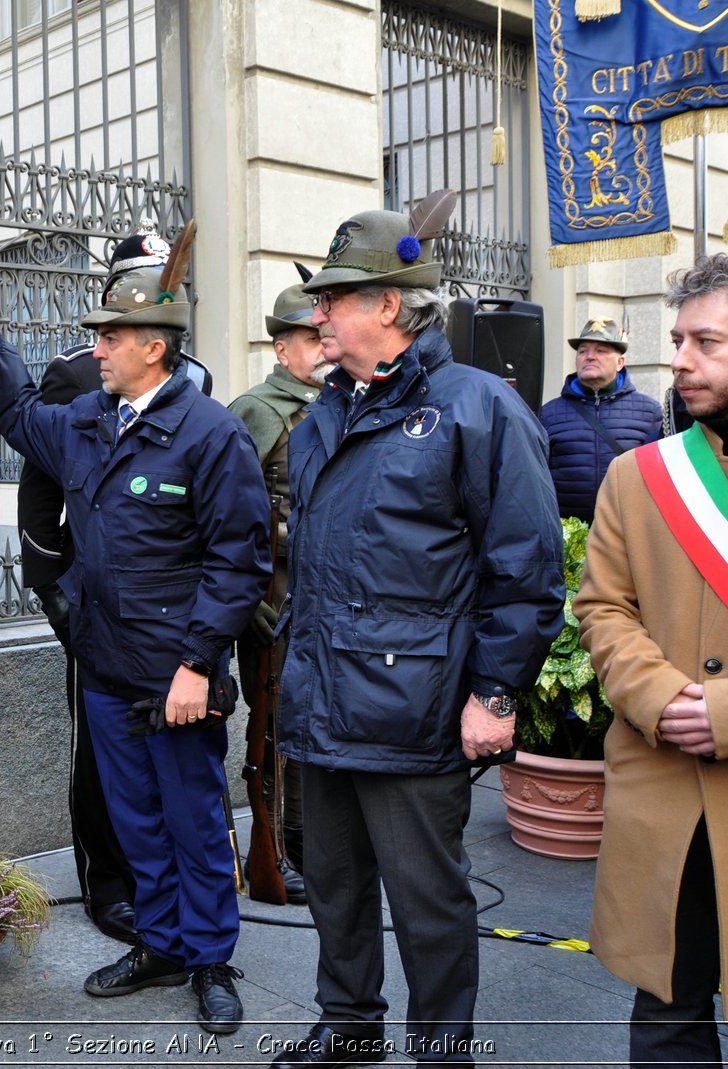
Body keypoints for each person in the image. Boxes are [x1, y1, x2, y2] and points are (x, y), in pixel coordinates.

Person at [273, 195, 563, 1067]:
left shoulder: (478, 406)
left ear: (390, 306)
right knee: (333, 881)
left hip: (417, 708)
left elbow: (528, 569)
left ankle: (443, 1049)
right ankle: (349, 1022)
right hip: (324, 696)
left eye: (335, 297)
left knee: (429, 898)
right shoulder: (331, 404)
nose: (317, 312)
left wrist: (495, 690)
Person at [0, 262, 271, 1035]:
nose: (96, 349)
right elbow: (17, 414)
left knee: (194, 822)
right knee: (135, 819)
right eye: (98, 336)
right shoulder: (88, 422)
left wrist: (198, 665)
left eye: (110, 336)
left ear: (155, 347)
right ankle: (163, 943)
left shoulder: (211, 434)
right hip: (105, 667)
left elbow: (239, 564)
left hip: (176, 676)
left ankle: (209, 956)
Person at [574, 247, 728, 1069]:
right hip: (666, 795)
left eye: (706, 342)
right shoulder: (636, 475)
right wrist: (658, 696)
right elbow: (602, 608)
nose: (679, 359)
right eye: (679, 340)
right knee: (667, 1018)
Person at [15, 221, 213, 944]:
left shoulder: (198, 380)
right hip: (93, 602)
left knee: (173, 752)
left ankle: (175, 888)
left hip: (169, 613)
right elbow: (40, 492)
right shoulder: (77, 371)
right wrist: (55, 588)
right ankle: (109, 882)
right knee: (100, 757)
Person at [227, 273, 327, 906]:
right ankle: (272, 850)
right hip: (274, 595)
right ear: (281, 349)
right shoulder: (258, 410)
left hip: (326, 597)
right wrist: (247, 603)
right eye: (307, 338)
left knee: (314, 725)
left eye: (325, 334)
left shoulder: (342, 405)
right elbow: (230, 515)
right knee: (271, 732)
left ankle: (309, 845)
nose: (321, 346)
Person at [537, 317, 662, 521]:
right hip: (566, 536)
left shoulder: (649, 412)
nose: (590, 357)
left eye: (601, 351)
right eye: (583, 351)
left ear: (620, 362)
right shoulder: (549, 414)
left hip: (626, 529)